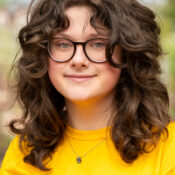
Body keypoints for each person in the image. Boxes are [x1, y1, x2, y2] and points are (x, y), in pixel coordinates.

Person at [0, 0, 175, 174]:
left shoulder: (168, 148)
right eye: (63, 44)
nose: (78, 60)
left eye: (97, 43)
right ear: (43, 55)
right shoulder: (24, 153)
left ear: (127, 53)